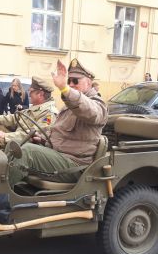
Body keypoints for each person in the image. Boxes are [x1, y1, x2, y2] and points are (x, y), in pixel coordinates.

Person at [8, 58, 109, 187]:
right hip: (59, 156)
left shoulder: (98, 105)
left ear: (89, 84)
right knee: (13, 144)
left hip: (74, 165)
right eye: (69, 81)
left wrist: (65, 88)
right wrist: (43, 139)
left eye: (75, 81)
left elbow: (90, 111)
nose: (71, 84)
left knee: (27, 152)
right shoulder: (69, 105)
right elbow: (59, 132)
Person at [0, 76, 58, 150]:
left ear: (40, 94)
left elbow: (32, 134)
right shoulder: (36, 107)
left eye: (31, 91)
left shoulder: (49, 113)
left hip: (28, 145)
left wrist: (6, 136)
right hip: (19, 137)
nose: (30, 95)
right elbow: (15, 117)